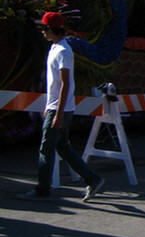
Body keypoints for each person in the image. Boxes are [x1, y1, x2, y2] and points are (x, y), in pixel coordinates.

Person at [19, 12, 105, 201]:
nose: (42, 31)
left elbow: (65, 83)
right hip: (58, 107)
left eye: (44, 28)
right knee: (62, 148)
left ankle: (43, 189)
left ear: (51, 29)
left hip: (61, 109)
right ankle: (92, 178)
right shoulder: (56, 48)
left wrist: (57, 113)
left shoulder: (63, 51)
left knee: (46, 148)